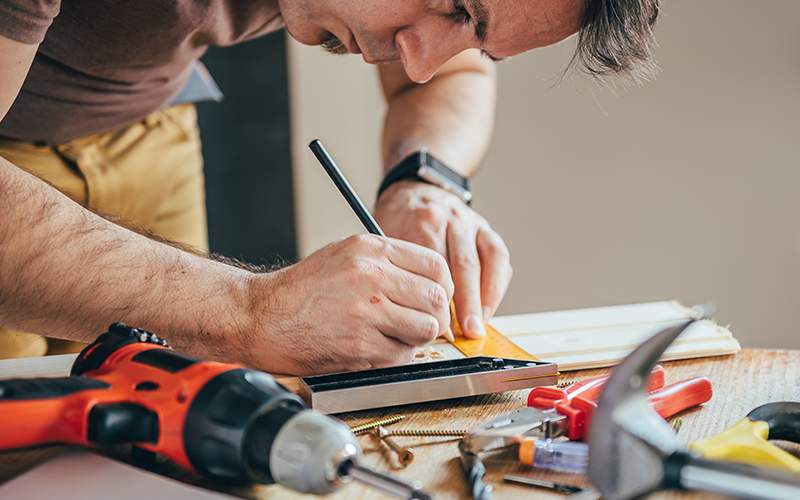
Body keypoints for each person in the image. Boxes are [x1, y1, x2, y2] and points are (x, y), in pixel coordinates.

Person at [0, 0, 659, 375]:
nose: (421, 61)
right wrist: (248, 314)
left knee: (157, 434)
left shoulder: (421, 37)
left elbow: (455, 76)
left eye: (469, 31)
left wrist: (422, 182)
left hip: (144, 123)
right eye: (454, 3)